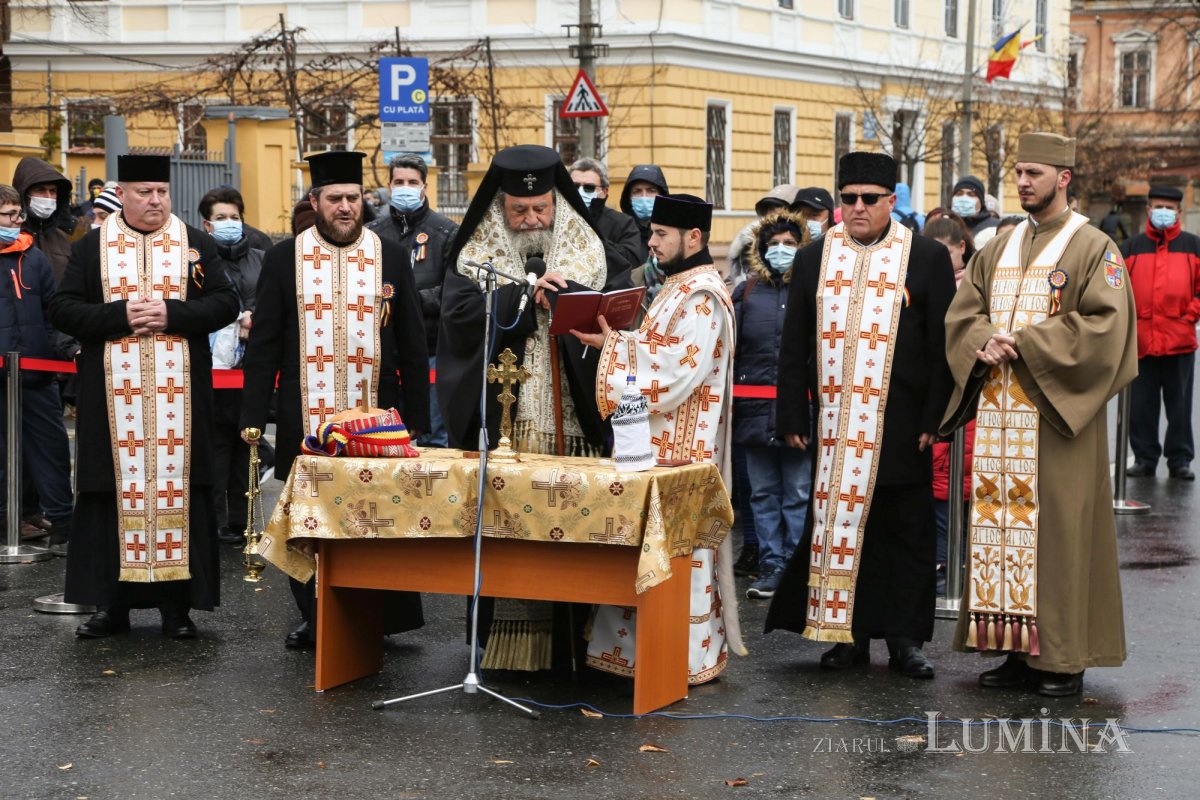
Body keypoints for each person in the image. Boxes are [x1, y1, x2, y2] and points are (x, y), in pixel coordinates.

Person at [940, 132, 1137, 697]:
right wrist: (983, 338)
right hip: (1002, 421)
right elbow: (964, 312)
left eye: (1035, 173)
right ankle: (1013, 652)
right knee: (1001, 536)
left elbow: (1108, 327)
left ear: (1064, 177)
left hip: (1057, 420)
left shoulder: (1093, 247)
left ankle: (1063, 659)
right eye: (1019, 172)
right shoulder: (998, 247)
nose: (1023, 182)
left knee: (1060, 535)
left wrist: (1025, 342)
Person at [765, 151, 956, 680]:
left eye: (869, 199)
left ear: (891, 202)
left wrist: (934, 419)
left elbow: (941, 346)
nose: (857, 208)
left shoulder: (926, 257)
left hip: (901, 423)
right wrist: (791, 417)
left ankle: (905, 640)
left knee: (905, 533)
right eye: (848, 198)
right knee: (841, 528)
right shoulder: (813, 258)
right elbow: (793, 345)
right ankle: (844, 635)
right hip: (835, 424)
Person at [239, 151, 430, 649]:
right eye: (335, 199)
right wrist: (252, 415)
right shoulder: (286, 257)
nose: (345, 208)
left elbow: (411, 338)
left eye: (353, 198)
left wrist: (420, 419)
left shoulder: (388, 253)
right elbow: (262, 346)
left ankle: (379, 617)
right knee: (310, 520)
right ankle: (314, 616)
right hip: (307, 416)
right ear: (315, 201)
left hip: (377, 419)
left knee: (378, 516)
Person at [437, 144, 614, 670]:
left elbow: (607, 310)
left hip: (571, 419)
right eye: (519, 210)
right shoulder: (475, 248)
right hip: (509, 416)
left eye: (541, 209)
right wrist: (518, 297)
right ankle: (515, 649)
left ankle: (578, 641)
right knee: (509, 531)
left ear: (557, 202)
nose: (531, 219)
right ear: (501, 207)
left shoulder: (586, 244)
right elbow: (459, 314)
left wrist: (563, 296)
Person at [50, 154, 239, 639]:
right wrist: (122, 316)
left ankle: (178, 609)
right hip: (111, 403)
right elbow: (64, 309)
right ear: (124, 193)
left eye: (161, 191)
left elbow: (225, 302)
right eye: (144, 192)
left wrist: (173, 314)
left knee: (184, 495)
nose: (155, 201)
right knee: (108, 496)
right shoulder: (92, 247)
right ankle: (109, 607)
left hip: (180, 405)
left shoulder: (195, 244)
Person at [574, 193, 746, 683]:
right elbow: (658, 349)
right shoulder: (675, 285)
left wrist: (615, 349)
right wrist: (617, 341)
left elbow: (673, 373)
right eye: (651, 232)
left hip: (684, 453)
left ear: (693, 237)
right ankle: (632, 655)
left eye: (660, 234)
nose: (650, 241)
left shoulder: (703, 295)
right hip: (654, 446)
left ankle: (680, 657)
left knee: (677, 555)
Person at [731, 210, 812, 600]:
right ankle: (770, 563)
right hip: (752, 411)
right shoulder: (745, 292)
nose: (781, 251)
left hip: (799, 411)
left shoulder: (813, 290)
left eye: (790, 245)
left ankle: (796, 566)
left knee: (798, 491)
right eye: (774, 244)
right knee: (761, 493)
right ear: (760, 249)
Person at [0, 185, 75, 556]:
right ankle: (5, 523)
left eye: (18, 215)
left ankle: (62, 523)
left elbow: (53, 312)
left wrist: (64, 350)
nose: (16, 223)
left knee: (51, 450)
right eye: (8, 216)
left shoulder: (33, 258)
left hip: (35, 372)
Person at [367, 154, 459, 448]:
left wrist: (410, 303)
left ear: (424, 187)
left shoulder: (446, 231)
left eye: (412, 182)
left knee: (431, 433)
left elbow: (455, 289)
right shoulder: (372, 234)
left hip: (430, 348)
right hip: (384, 349)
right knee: (382, 432)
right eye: (399, 182)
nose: (405, 187)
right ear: (390, 185)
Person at [199, 187, 265, 545]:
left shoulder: (260, 257)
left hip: (250, 366)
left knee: (247, 443)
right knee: (216, 447)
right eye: (221, 218)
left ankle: (244, 519)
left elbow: (271, 296)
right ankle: (215, 520)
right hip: (213, 370)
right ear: (208, 225)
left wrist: (255, 315)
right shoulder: (198, 261)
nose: (229, 224)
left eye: (234, 217)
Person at [1123, 185, 1200, 481]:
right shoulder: (1131, 247)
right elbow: (1118, 290)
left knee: (1179, 404)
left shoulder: (1193, 246)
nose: (1163, 213)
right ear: (1148, 210)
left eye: (1169, 208)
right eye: (1158, 207)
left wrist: (1189, 315)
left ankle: (1179, 459)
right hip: (1140, 341)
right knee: (1141, 405)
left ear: (1179, 212)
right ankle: (1144, 458)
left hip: (1179, 340)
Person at [923, 214, 978, 594]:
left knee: (968, 493)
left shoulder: (975, 290)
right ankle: (944, 569)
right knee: (940, 497)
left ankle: (965, 568)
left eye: (947, 251)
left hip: (968, 402)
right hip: (937, 403)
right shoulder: (923, 288)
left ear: (962, 249)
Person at [569, 157, 644, 279]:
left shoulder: (623, 223)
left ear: (604, 191)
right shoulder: (554, 219)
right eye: (574, 186)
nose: (580, 192)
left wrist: (594, 240)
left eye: (589, 187)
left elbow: (632, 261)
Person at [13, 157, 75, 283]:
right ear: (24, 194)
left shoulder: (64, 238)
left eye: (53, 191)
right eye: (40, 190)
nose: (48, 196)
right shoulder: (10, 236)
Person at [727, 184, 799, 288]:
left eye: (779, 209)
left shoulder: (807, 246)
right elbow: (731, 281)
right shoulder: (749, 245)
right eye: (768, 209)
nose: (771, 214)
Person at [619, 164, 669, 303]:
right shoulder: (620, 230)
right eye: (637, 191)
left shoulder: (674, 233)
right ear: (628, 197)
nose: (644, 197)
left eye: (651, 190)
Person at [950, 175, 999, 241]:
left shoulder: (995, 226)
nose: (964, 198)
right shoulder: (944, 224)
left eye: (971, 194)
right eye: (959, 194)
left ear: (981, 202)